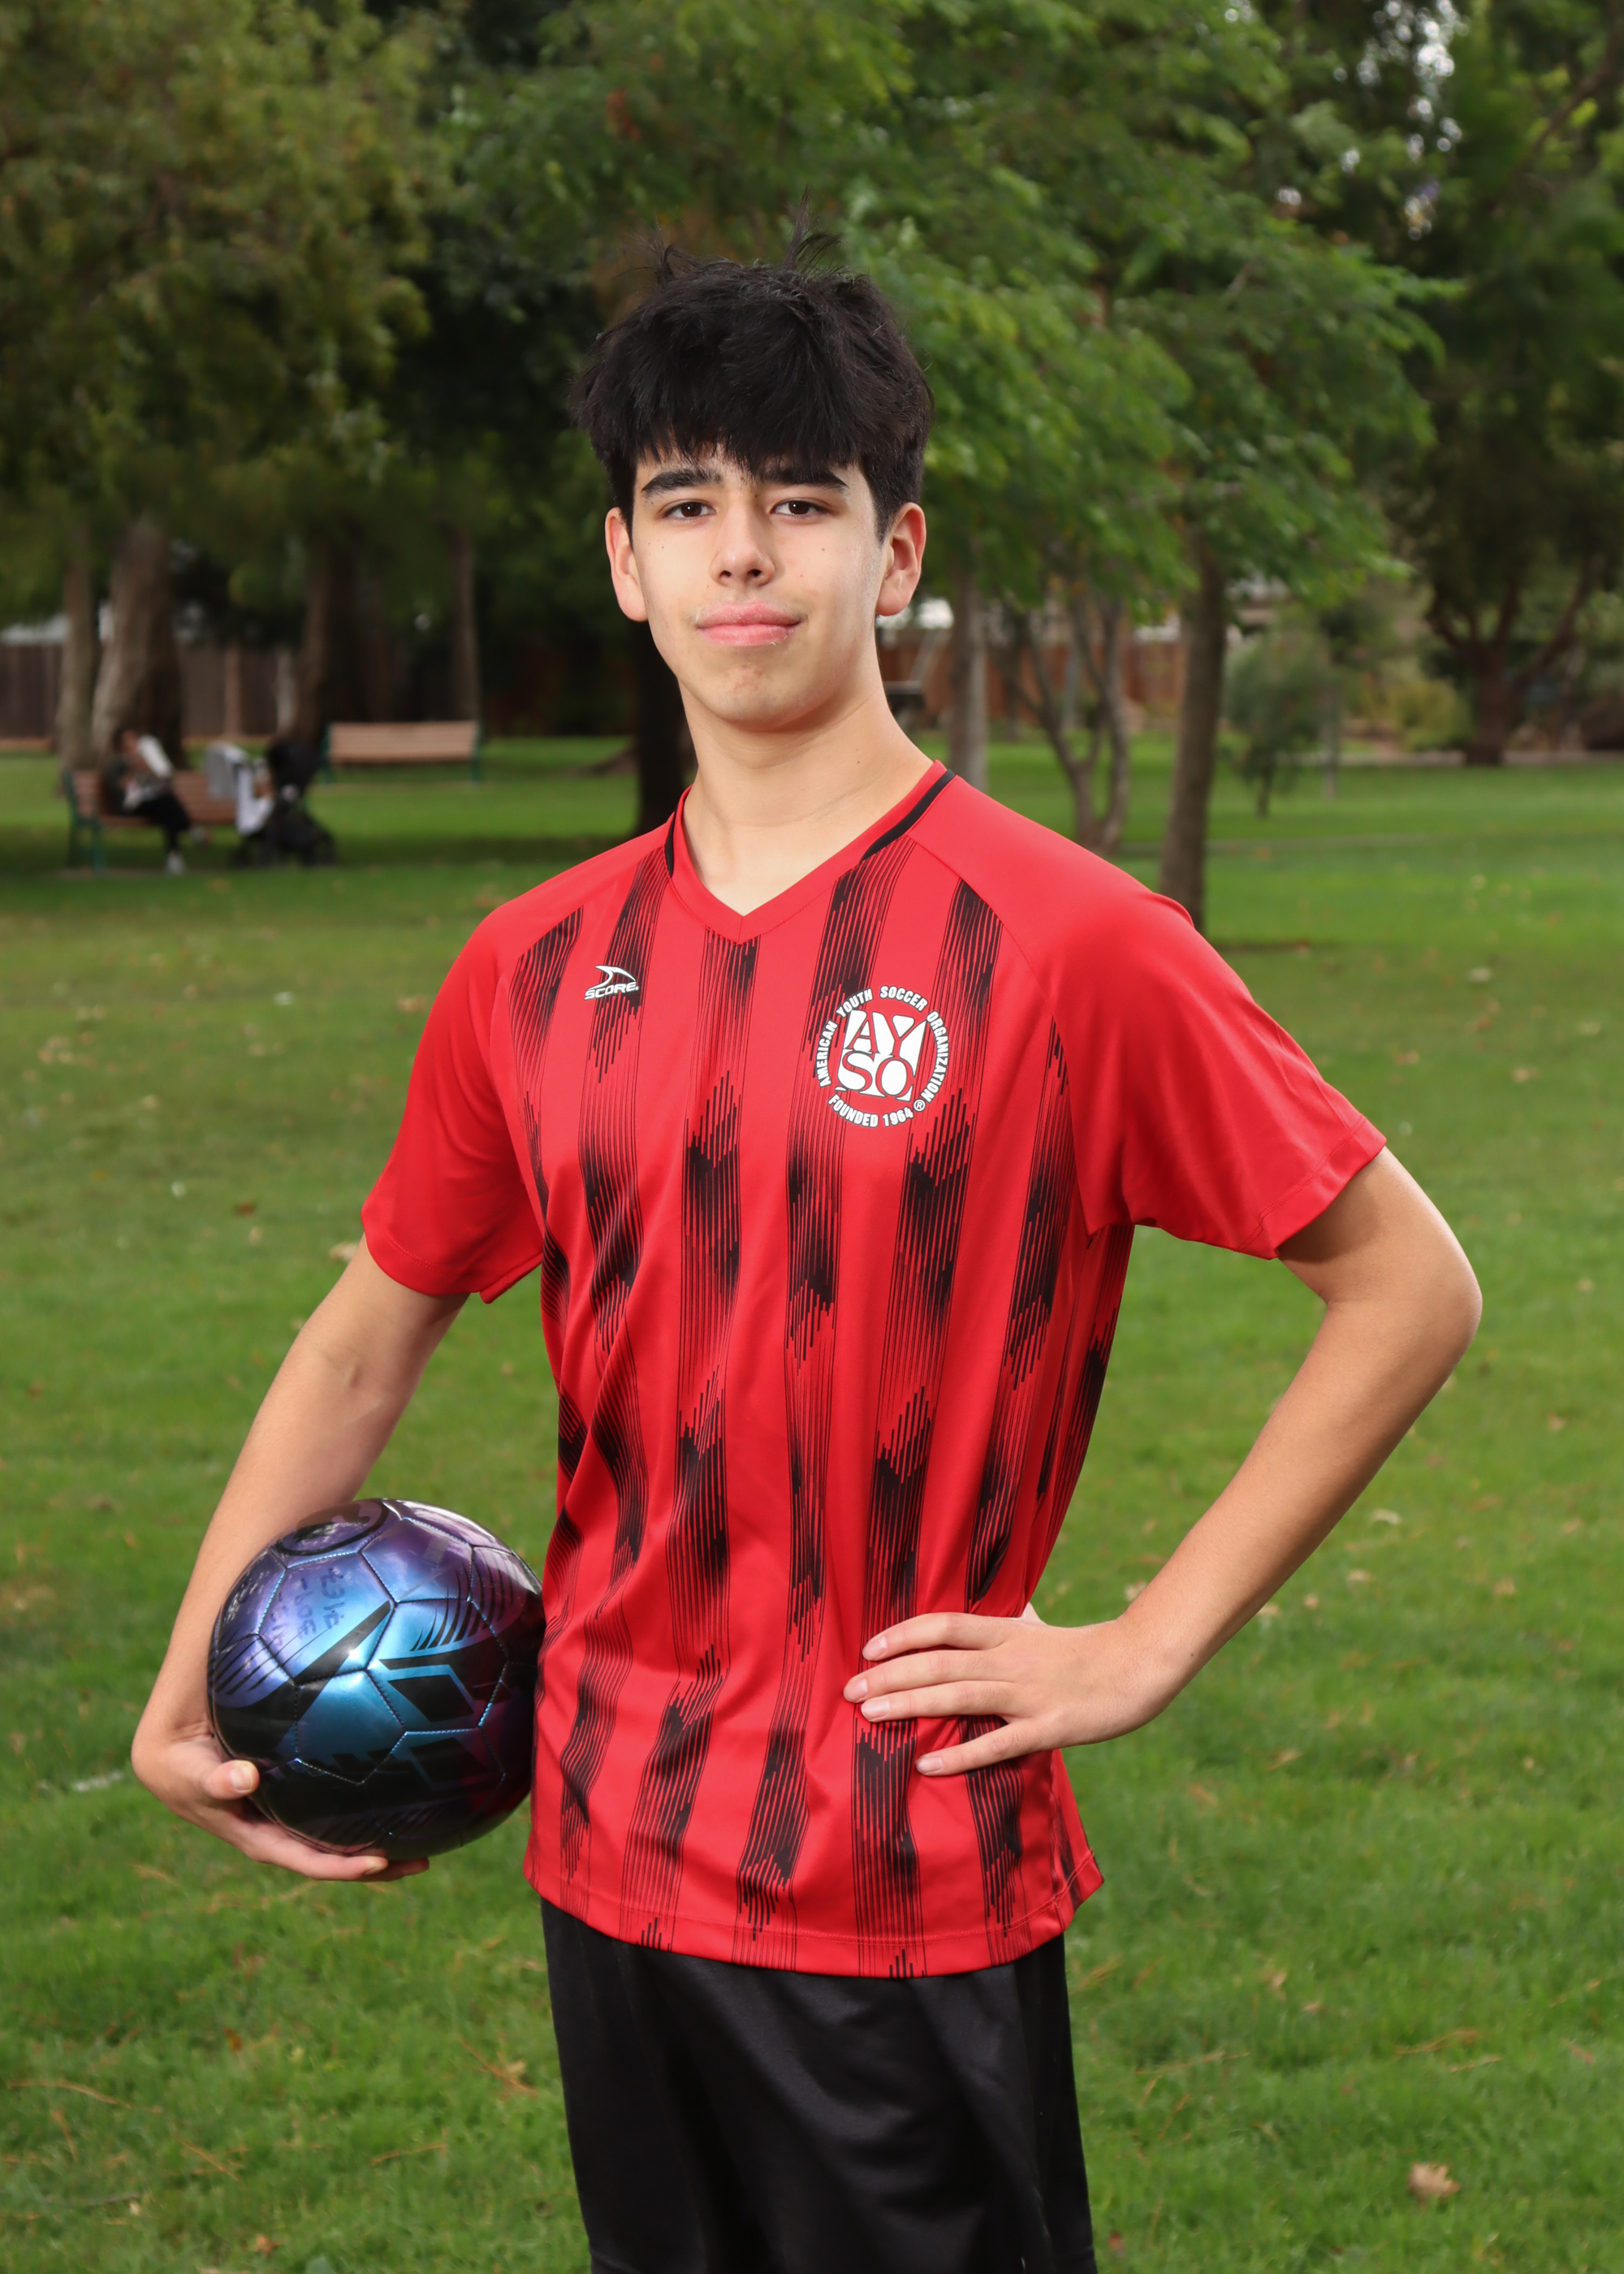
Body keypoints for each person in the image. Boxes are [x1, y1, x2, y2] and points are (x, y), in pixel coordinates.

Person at [133, 241, 1481, 2274]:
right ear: (623, 561)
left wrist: (1145, 1639)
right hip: (604, 1851)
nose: (741, 554)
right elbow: (363, 1339)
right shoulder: (532, 965)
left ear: (894, 549)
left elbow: (1407, 1283)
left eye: (798, 500)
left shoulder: (1066, 942)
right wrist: (186, 1678)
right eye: (686, 504)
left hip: (900, 1874)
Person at [105, 725, 197, 874]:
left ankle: (174, 856)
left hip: (153, 802)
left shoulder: (146, 757)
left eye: (132, 739)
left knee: (167, 806)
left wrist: (150, 768)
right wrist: (133, 768)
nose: (130, 743)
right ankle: (190, 830)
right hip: (131, 805)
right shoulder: (117, 763)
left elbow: (164, 781)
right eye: (126, 740)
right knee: (166, 804)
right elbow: (119, 788)